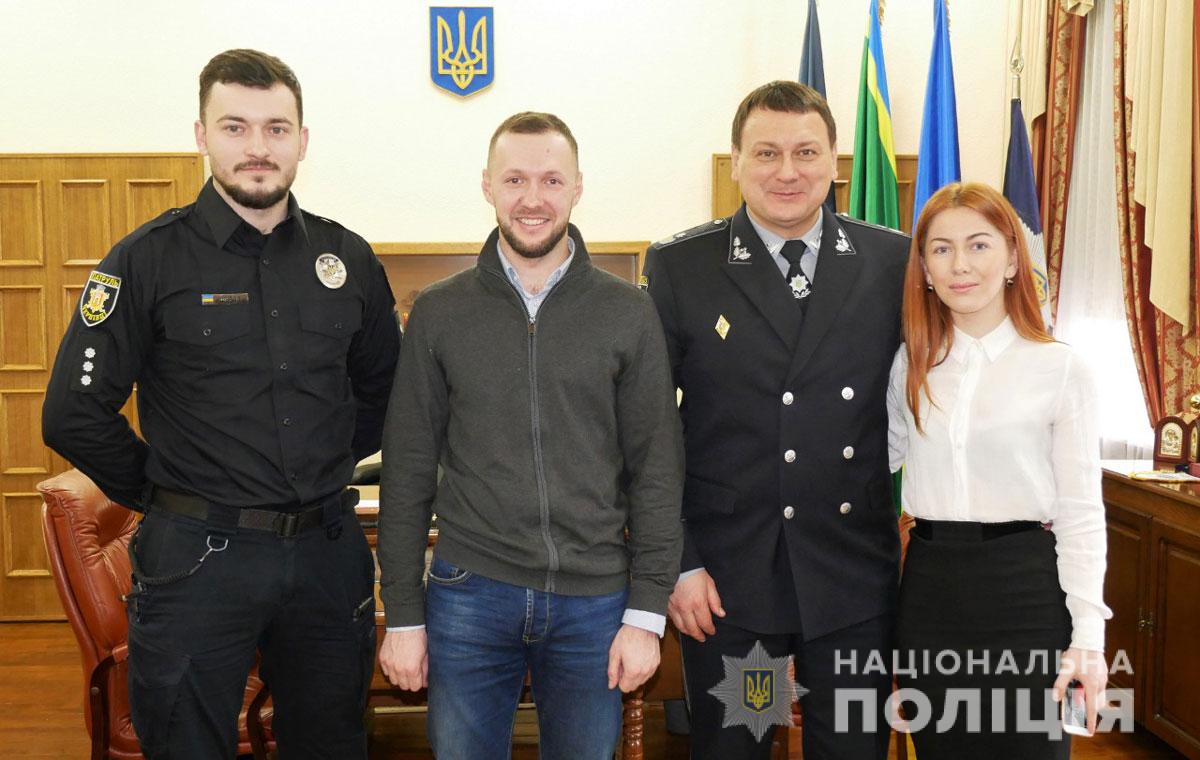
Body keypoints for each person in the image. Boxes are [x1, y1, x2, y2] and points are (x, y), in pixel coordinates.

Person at [41, 49, 401, 759]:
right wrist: (166, 488)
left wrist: (325, 460)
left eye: (277, 128)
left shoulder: (348, 259)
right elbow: (72, 413)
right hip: (197, 562)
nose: (258, 148)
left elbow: (383, 395)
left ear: (303, 139)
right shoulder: (144, 260)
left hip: (328, 557)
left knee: (332, 743)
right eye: (235, 127)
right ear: (202, 135)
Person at [375, 112, 684, 759]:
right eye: (515, 178)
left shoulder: (628, 312)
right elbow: (405, 472)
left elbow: (657, 467)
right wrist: (403, 613)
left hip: (594, 600)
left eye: (551, 179)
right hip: (469, 592)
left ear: (577, 188)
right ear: (488, 185)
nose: (533, 198)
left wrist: (646, 611)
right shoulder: (439, 312)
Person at [642, 81, 908, 759]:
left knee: (851, 750)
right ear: (736, 162)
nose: (787, 172)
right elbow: (650, 431)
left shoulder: (891, 261)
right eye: (766, 153)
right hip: (734, 590)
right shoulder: (682, 267)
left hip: (850, 577)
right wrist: (680, 562)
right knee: (737, 748)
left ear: (833, 162)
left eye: (805, 152)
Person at [887, 181, 1110, 758]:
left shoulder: (1059, 368)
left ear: (1013, 258)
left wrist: (1089, 636)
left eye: (979, 245)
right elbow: (869, 465)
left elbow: (1082, 514)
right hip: (931, 593)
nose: (960, 264)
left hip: (1025, 595)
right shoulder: (910, 365)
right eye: (940, 249)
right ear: (925, 270)